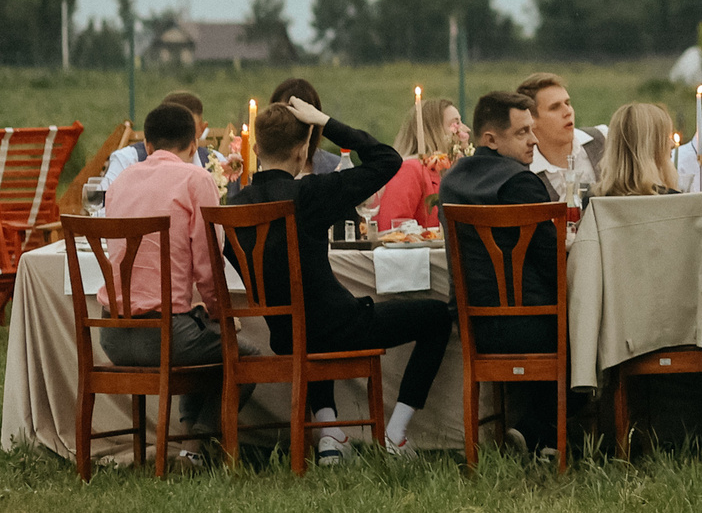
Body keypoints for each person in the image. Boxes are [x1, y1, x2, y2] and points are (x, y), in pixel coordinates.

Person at [238, 98, 451, 458]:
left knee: (314, 317)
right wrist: (325, 120)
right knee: (437, 317)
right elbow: (388, 160)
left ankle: (330, 433)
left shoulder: (236, 207)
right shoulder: (311, 193)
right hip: (338, 329)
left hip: (285, 335)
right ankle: (396, 434)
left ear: (257, 149)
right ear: (304, 148)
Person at [437, 91, 572, 453]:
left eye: (532, 130)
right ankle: (544, 434)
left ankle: (533, 433)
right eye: (522, 133)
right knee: (584, 319)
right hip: (532, 325)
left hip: (472, 327)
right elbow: (554, 261)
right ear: (490, 139)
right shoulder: (520, 183)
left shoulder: (450, 182)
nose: (533, 140)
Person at [98, 100, 227, 443]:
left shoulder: (119, 183)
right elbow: (208, 265)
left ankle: (188, 440)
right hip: (166, 337)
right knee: (239, 351)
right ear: (194, 144)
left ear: (148, 146)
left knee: (198, 328)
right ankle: (196, 442)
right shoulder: (196, 179)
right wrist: (221, 314)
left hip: (111, 336)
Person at [374, 95, 466, 231]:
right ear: (432, 130)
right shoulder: (410, 169)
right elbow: (392, 228)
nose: (466, 130)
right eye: (455, 123)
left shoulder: (453, 173)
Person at [517, 73, 598, 202]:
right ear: (531, 119)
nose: (568, 112)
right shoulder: (525, 173)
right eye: (554, 107)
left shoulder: (604, 139)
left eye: (568, 103)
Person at [101, 91, 207, 188]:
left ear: (201, 130)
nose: (177, 133)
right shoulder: (127, 160)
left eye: (186, 128)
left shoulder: (213, 161)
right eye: (170, 127)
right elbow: (104, 205)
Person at [595, 102, 681, 197]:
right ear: (650, 148)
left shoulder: (592, 202)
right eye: (667, 138)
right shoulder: (672, 201)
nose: (673, 144)